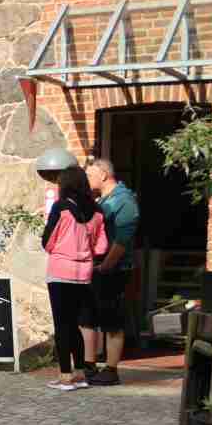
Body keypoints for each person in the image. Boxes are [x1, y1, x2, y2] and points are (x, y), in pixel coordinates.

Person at [39, 166, 108, 392]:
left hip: (60, 272)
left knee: (61, 325)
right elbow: (101, 246)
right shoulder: (97, 211)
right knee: (75, 324)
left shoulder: (62, 208)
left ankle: (65, 376)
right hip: (84, 273)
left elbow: (47, 242)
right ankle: (80, 373)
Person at [81, 157, 140, 387]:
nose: (87, 179)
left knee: (112, 320)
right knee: (88, 317)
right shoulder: (102, 199)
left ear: (103, 175)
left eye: (89, 175)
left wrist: (106, 266)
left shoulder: (124, 201)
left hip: (115, 270)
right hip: (96, 267)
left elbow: (122, 240)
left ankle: (111, 369)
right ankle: (89, 365)